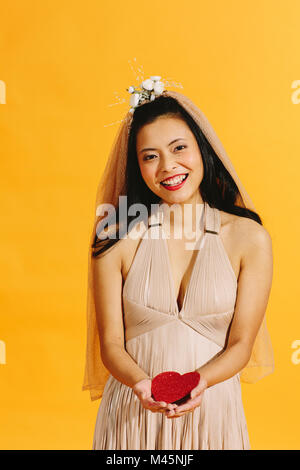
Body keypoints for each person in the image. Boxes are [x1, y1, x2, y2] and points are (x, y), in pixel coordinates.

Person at [82, 77, 275, 450]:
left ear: (202, 150)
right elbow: (110, 344)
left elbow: (240, 344)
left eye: (179, 148)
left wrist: (199, 381)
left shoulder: (250, 238)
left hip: (213, 410)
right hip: (133, 413)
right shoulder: (115, 238)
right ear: (137, 167)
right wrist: (141, 385)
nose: (168, 167)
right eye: (150, 156)